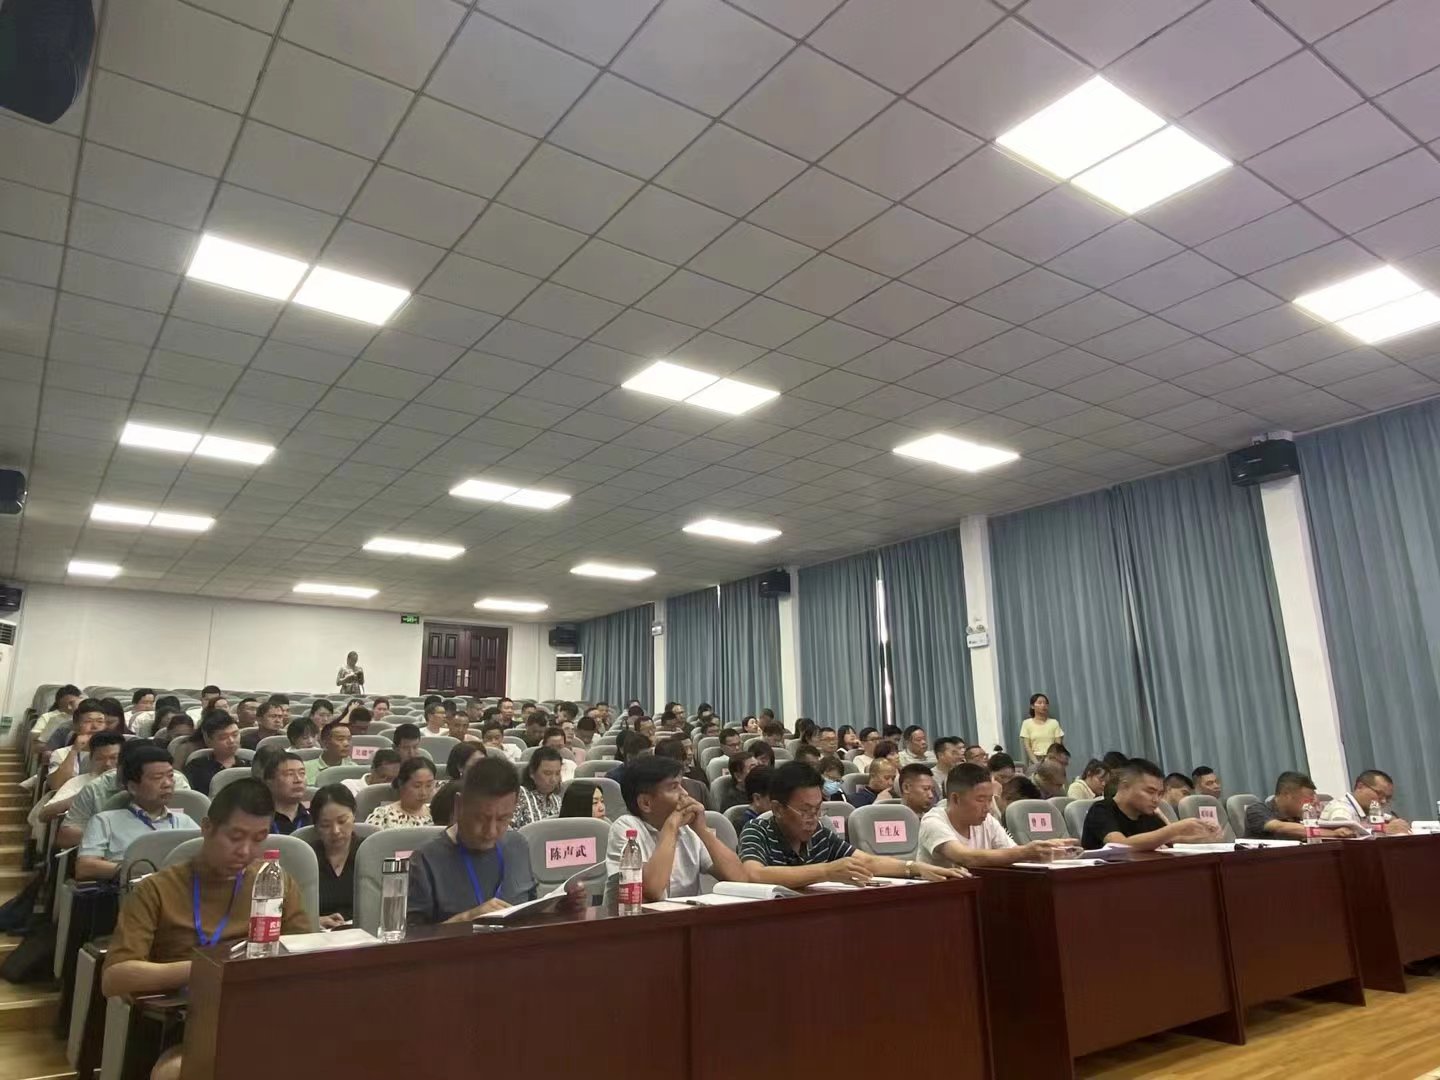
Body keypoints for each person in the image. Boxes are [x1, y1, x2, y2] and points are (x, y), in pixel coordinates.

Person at [102, 780, 311, 1079]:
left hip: (264, 1013)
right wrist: (209, 970)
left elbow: (307, 956)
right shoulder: (157, 889)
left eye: (259, 839)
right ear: (207, 828)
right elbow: (115, 978)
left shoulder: (274, 883)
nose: (246, 851)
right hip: (186, 1019)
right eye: (235, 837)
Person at [739, 762, 964, 887]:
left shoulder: (820, 834)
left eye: (818, 809)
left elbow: (866, 861)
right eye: (805, 811)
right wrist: (826, 871)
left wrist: (914, 868)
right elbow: (754, 875)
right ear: (778, 809)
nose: (813, 818)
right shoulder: (757, 831)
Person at [407, 759, 537, 924]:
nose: (491, 831)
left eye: (503, 819)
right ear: (459, 805)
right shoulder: (426, 860)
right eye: (481, 818)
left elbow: (533, 910)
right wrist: (466, 919)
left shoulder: (517, 845)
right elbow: (413, 937)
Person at [605, 755, 746, 901]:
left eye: (681, 785)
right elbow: (653, 891)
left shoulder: (689, 830)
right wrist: (671, 826)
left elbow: (739, 879)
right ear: (646, 803)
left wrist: (703, 831)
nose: (684, 793)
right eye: (673, 787)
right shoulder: (626, 828)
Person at [76, 746, 198, 881]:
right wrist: (135, 872)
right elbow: (85, 867)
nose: (168, 784)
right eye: (157, 778)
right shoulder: (104, 821)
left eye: (170, 776)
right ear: (133, 787)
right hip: (128, 889)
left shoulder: (184, 821)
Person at [920, 763, 1073, 869]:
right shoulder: (933, 821)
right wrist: (1025, 852)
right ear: (955, 799)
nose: (988, 807)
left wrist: (1047, 848)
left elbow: (1011, 851)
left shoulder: (986, 820)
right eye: (981, 800)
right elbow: (966, 858)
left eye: (990, 799)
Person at [1080, 758, 1222, 850]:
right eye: (1150, 792)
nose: (1156, 799)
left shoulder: (1147, 814)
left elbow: (1171, 841)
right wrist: (1174, 828)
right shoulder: (1101, 810)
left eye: (1160, 794)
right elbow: (1120, 845)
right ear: (1125, 786)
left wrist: (1203, 836)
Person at [1247, 771, 1361, 840]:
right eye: (1307, 798)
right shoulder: (1257, 810)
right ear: (1287, 795)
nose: (1311, 803)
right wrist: (1333, 833)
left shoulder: (1299, 816)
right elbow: (1280, 827)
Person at [308, 785, 359, 928]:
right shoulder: (307, 857)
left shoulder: (370, 852)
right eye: (325, 825)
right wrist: (314, 921)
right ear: (316, 826)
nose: (335, 831)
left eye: (342, 821)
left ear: (354, 816)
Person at [1321, 769, 1412, 834]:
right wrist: (1383, 828)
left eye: (1387, 797)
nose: (1384, 801)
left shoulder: (1366, 807)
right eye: (1379, 794)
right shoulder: (1341, 808)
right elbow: (1346, 830)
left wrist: (1393, 820)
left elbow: (1384, 816)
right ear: (1360, 787)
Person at [366, 757, 437, 829]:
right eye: (417, 786)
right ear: (401, 784)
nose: (423, 793)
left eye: (429, 785)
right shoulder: (382, 815)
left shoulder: (436, 814)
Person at [182, 711, 242, 795]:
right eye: (223, 737)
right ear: (209, 740)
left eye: (235, 735)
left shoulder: (249, 764)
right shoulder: (196, 767)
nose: (231, 741)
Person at [511, 746, 564, 828]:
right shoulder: (518, 795)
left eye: (557, 773)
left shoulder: (557, 800)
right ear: (532, 773)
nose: (553, 780)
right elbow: (508, 831)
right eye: (547, 773)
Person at [264, 751, 311, 835]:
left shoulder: (315, 817)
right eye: (290, 774)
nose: (298, 779)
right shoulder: (257, 819)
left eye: (302, 773)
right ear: (269, 782)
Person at [1018, 693, 1065, 764]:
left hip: (1052, 759)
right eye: (1039, 703)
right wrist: (1036, 763)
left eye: (1045, 703)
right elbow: (1027, 747)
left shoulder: (1054, 723)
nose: (1043, 705)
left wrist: (1051, 760)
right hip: (1035, 759)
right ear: (1032, 706)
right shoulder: (1026, 723)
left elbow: (1058, 744)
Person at [306, 721, 351, 785]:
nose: (346, 744)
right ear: (325, 743)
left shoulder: (353, 769)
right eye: (340, 739)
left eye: (349, 739)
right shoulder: (305, 769)